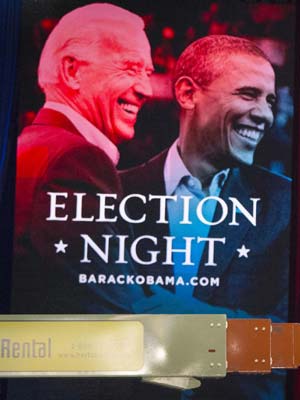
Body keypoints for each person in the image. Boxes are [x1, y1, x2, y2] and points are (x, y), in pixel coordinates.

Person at [119, 35, 290, 399]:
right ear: (187, 94)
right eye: (248, 94)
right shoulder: (113, 194)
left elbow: (296, 339)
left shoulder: (286, 204)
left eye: (269, 100)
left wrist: (198, 323)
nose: (264, 114)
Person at [9, 4, 153, 398]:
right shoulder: (74, 160)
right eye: (129, 67)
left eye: (147, 72)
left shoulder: (30, 145)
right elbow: (118, 319)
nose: (146, 89)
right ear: (72, 71)